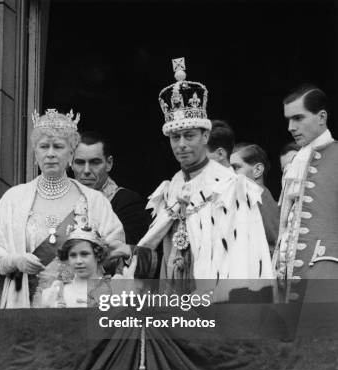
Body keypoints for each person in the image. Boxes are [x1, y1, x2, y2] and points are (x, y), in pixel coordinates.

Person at [129, 58, 273, 280]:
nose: (181, 144)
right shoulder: (171, 188)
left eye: (189, 136)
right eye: (175, 137)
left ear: (205, 136)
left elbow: (247, 257)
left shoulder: (231, 186)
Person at [0, 109, 125, 308]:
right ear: (35, 151)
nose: (50, 154)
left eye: (58, 146)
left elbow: (115, 249)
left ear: (71, 153)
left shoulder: (94, 201)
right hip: (25, 303)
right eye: (43, 147)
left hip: (80, 304)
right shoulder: (13, 199)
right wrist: (15, 261)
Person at [275, 84, 338, 280]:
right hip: (288, 279)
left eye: (298, 118)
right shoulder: (295, 161)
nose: (291, 127)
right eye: (289, 120)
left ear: (321, 117)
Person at [72, 131, 150, 244]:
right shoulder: (61, 200)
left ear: (109, 163)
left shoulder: (128, 202)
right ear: (71, 164)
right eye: (80, 163)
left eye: (95, 162)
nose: (87, 170)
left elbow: (131, 253)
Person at [41, 222, 111, 308]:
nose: (78, 261)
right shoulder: (56, 292)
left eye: (84, 254)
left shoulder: (112, 289)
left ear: (98, 255)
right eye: (73, 255)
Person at [230, 143, 279, 253]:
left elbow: (274, 245)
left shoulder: (261, 197)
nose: (230, 174)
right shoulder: (242, 197)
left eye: (235, 168)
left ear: (257, 170)